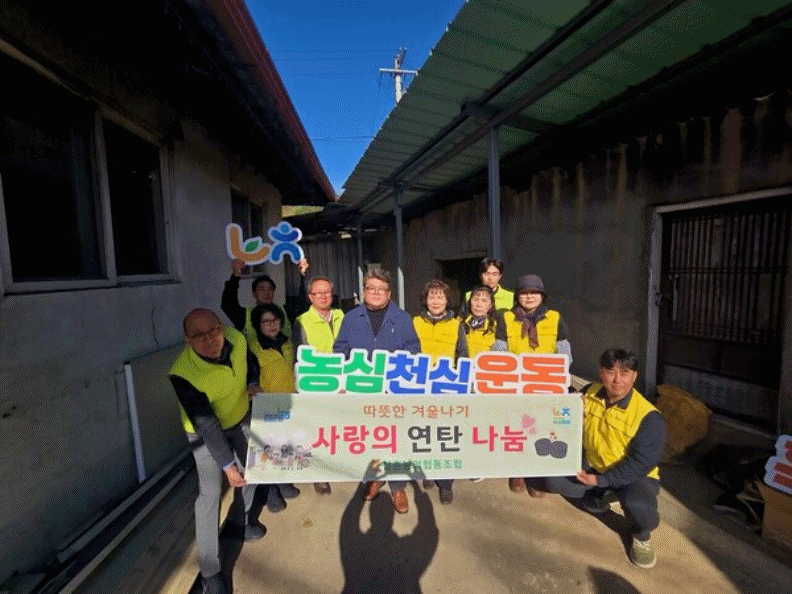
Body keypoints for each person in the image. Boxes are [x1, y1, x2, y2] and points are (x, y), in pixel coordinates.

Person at [169, 308, 265, 594]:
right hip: (204, 433)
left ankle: (240, 522)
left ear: (221, 327)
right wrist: (227, 466)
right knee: (210, 495)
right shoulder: (182, 373)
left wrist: (252, 382)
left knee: (253, 470)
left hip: (239, 416)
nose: (210, 339)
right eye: (199, 336)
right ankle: (210, 572)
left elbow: (250, 361)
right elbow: (206, 424)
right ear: (187, 341)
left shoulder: (236, 338)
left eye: (213, 330)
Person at [546, 349, 666, 569]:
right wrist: (569, 408)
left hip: (635, 476)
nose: (617, 380)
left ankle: (641, 534)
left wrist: (601, 480)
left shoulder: (649, 417)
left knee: (639, 506)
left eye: (624, 373)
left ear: (635, 376)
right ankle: (604, 494)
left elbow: (640, 464)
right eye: (610, 372)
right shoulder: (588, 393)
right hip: (597, 466)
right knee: (553, 481)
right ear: (601, 373)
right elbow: (563, 417)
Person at [333, 269, 421, 514]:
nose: (375, 293)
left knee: (395, 439)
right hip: (362, 389)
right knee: (370, 437)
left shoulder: (402, 318)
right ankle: (375, 478)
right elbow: (340, 349)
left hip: (393, 391)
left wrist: (394, 366)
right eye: (370, 288)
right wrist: (344, 377)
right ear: (364, 291)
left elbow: (414, 348)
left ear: (389, 293)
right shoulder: (351, 318)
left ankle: (397, 487)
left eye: (381, 289)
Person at [496, 274, 572, 496]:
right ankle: (518, 471)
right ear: (517, 296)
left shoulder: (555, 317)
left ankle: (537, 476)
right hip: (516, 384)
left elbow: (564, 352)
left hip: (545, 384)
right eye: (524, 293)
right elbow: (499, 350)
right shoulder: (506, 318)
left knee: (543, 429)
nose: (529, 297)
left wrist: (557, 376)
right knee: (518, 428)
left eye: (534, 293)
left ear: (542, 296)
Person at [412, 280, 467, 504]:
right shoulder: (415, 322)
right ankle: (427, 472)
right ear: (425, 300)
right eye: (431, 296)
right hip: (421, 386)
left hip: (447, 387)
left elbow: (462, 355)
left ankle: (446, 483)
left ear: (447, 300)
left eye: (440, 297)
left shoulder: (456, 324)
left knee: (446, 435)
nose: (436, 301)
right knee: (424, 433)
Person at [293, 275, 345, 495]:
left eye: (327, 292)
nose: (323, 296)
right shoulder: (301, 321)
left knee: (337, 429)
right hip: (316, 384)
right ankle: (319, 474)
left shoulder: (342, 315)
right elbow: (299, 357)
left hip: (341, 382)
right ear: (310, 296)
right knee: (316, 432)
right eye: (318, 293)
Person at [249, 303, 301, 513]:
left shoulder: (287, 342)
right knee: (268, 450)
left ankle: (283, 482)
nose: (271, 325)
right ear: (258, 325)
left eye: (275, 320)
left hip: (289, 401)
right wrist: (252, 386)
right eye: (266, 322)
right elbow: (251, 376)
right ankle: (271, 492)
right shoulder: (253, 349)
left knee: (286, 444)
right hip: (267, 407)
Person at [221, 257, 308, 340]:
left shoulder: (285, 311)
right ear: (254, 294)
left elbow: (303, 305)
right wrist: (235, 275)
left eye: (270, 289)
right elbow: (227, 304)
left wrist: (302, 274)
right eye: (262, 289)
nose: (267, 293)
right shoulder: (244, 316)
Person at [460, 285, 507, 356]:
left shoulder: (496, 325)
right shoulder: (460, 323)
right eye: (475, 299)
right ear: (470, 302)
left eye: (484, 301)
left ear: (490, 305)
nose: (479, 305)